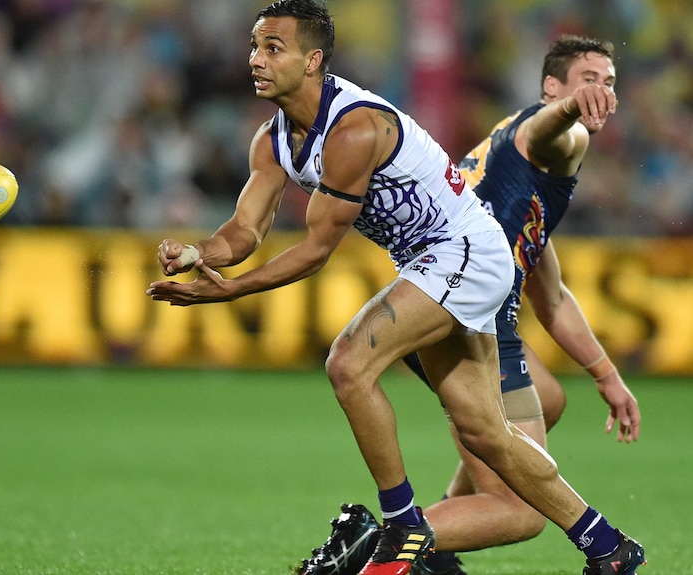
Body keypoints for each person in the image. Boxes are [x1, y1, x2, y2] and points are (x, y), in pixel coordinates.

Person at [146, 3, 645, 575]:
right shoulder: (272, 138)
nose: (256, 60)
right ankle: (608, 546)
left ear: (313, 61)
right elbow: (245, 229)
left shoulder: (355, 127)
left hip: (464, 252)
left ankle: (404, 526)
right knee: (487, 433)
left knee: (348, 363)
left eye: (273, 48)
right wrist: (199, 254)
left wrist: (231, 292)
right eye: (255, 46)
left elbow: (315, 250)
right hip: (440, 261)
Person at [296, 35, 645, 575]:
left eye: (609, 82)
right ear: (552, 87)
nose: (601, 92)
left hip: (444, 301)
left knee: (547, 400)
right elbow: (552, 127)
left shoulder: (516, 165)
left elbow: (550, 295)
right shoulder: (557, 136)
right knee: (520, 512)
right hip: (469, 312)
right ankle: (383, 541)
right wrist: (571, 109)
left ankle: (431, 546)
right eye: (587, 80)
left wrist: (604, 375)